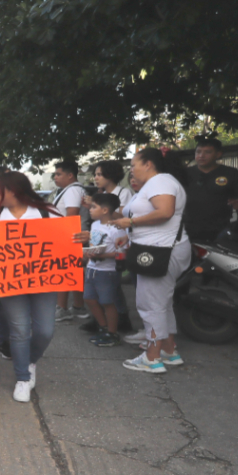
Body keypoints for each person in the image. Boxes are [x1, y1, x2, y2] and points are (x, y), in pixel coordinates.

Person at [113, 149, 190, 374]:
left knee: (151, 304)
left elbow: (165, 212)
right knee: (162, 302)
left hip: (161, 251)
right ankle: (168, 349)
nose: (131, 169)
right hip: (158, 248)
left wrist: (131, 222)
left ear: (148, 164)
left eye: (134, 164)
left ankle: (152, 357)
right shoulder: (155, 184)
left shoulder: (160, 181)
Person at [0, 172, 62, 403]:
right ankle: (22, 377)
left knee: (44, 331)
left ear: (12, 190)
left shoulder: (46, 213)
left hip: (45, 281)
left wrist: (79, 238)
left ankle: (30, 361)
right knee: (19, 330)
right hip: (9, 284)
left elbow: (66, 240)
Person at [83, 193, 130, 347]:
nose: (90, 209)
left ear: (104, 210)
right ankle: (103, 327)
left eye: (94, 206)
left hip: (107, 271)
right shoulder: (95, 225)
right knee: (89, 298)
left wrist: (103, 254)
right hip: (91, 268)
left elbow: (123, 252)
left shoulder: (117, 229)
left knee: (107, 302)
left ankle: (112, 332)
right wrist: (88, 252)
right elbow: (94, 243)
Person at [185, 137, 238, 244]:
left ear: (218, 154)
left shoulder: (231, 173)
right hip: (188, 228)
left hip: (219, 229)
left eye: (207, 152)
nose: (201, 155)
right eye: (198, 152)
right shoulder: (184, 174)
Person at [50, 161, 88, 323]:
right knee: (74, 273)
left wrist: (62, 237)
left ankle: (62, 307)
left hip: (69, 237)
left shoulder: (73, 190)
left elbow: (72, 214)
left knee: (64, 273)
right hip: (70, 236)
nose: (55, 177)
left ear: (70, 175)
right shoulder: (70, 190)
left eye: (58, 174)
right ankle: (78, 307)